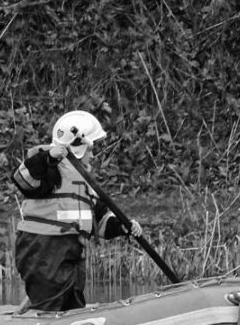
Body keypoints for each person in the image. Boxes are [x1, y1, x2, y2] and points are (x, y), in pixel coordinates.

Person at [11, 110, 143, 311]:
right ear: (79, 147)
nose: (93, 154)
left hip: (72, 249)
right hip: (43, 248)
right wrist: (48, 158)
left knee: (73, 301)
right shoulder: (49, 167)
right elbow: (23, 179)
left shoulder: (84, 183)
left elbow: (100, 222)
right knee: (50, 301)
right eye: (90, 149)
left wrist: (124, 227)